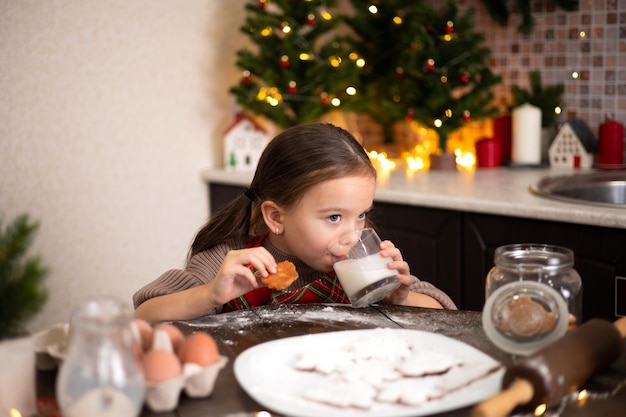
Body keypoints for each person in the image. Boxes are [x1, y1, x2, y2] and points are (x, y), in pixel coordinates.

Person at [133, 123, 456, 322]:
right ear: (276, 217)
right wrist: (210, 296)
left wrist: (399, 297)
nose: (352, 234)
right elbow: (145, 315)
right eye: (333, 217)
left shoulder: (360, 261)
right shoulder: (230, 260)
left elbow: (445, 312)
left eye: (360, 215)